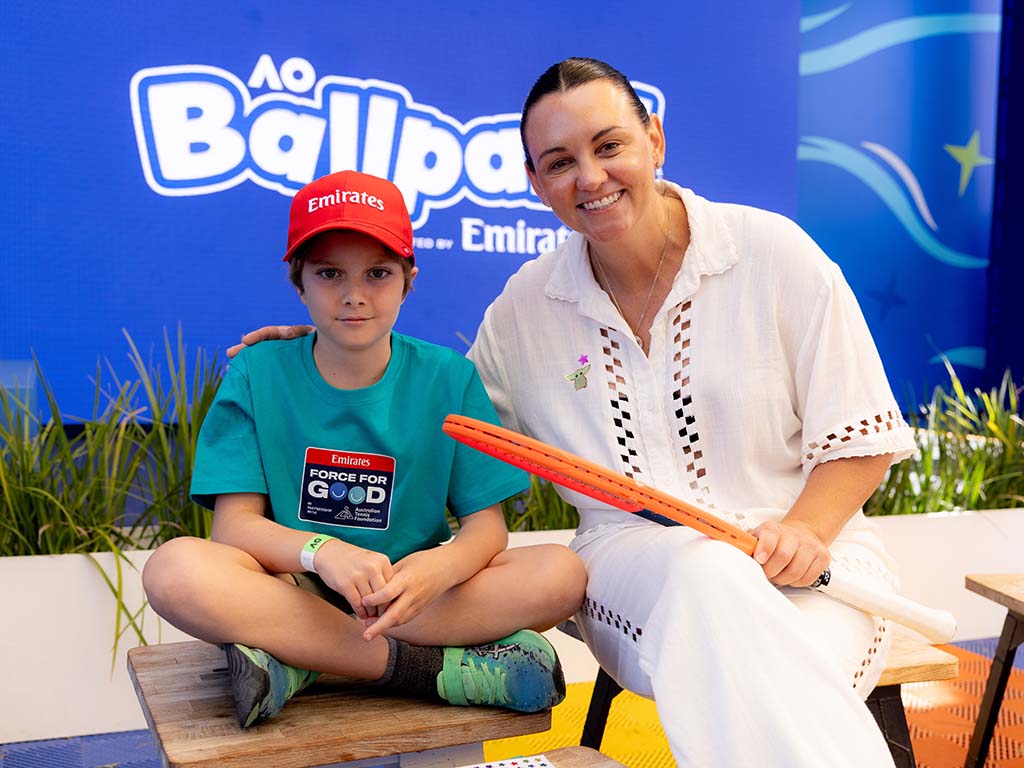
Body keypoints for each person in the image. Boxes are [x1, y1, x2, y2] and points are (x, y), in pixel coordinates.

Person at [233, 59, 918, 766]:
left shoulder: (773, 253)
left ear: (654, 138)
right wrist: (335, 351)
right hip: (635, 571)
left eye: (609, 145)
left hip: (818, 567)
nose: (589, 177)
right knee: (711, 579)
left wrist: (806, 529)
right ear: (535, 183)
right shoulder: (526, 309)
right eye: (560, 162)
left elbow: (861, 430)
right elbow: (439, 412)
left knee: (778, 685)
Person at [142, 170, 587, 729]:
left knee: (560, 573)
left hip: (408, 601)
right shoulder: (257, 372)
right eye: (329, 273)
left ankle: (299, 660)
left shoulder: (449, 378)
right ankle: (430, 671)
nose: (354, 294)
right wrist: (322, 552)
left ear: (408, 281)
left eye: (378, 273)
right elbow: (234, 530)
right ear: (298, 281)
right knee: (174, 571)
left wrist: (438, 568)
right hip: (291, 588)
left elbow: (486, 530)